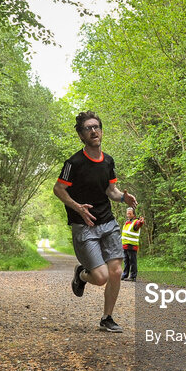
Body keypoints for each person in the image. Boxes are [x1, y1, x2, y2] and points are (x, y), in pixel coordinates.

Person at [54, 111, 138, 333]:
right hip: (85, 226)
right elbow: (58, 189)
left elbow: (111, 189)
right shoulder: (74, 163)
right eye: (88, 128)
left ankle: (107, 318)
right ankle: (81, 274)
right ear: (81, 135)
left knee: (116, 271)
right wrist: (77, 207)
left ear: (101, 131)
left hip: (107, 222)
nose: (93, 131)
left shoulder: (108, 160)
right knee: (100, 278)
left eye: (96, 127)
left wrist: (123, 198)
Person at [120, 207, 146, 281]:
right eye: (127, 213)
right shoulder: (127, 222)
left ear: (133, 214)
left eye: (130, 213)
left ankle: (133, 276)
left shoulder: (135, 222)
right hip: (125, 245)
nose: (128, 214)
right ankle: (125, 275)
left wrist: (141, 222)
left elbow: (138, 225)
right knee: (126, 261)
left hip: (132, 245)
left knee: (132, 261)